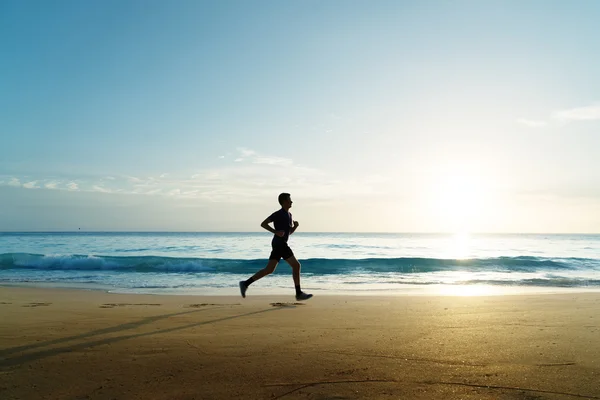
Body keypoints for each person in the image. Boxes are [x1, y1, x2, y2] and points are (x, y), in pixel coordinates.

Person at [239, 193, 313, 301]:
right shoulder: (278, 214)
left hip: (279, 243)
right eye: (289, 200)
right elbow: (263, 224)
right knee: (296, 265)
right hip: (279, 243)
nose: (291, 202)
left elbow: (288, 233)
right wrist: (275, 231)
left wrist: (295, 227)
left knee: (269, 269)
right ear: (284, 202)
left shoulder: (289, 215)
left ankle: (245, 283)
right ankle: (298, 293)